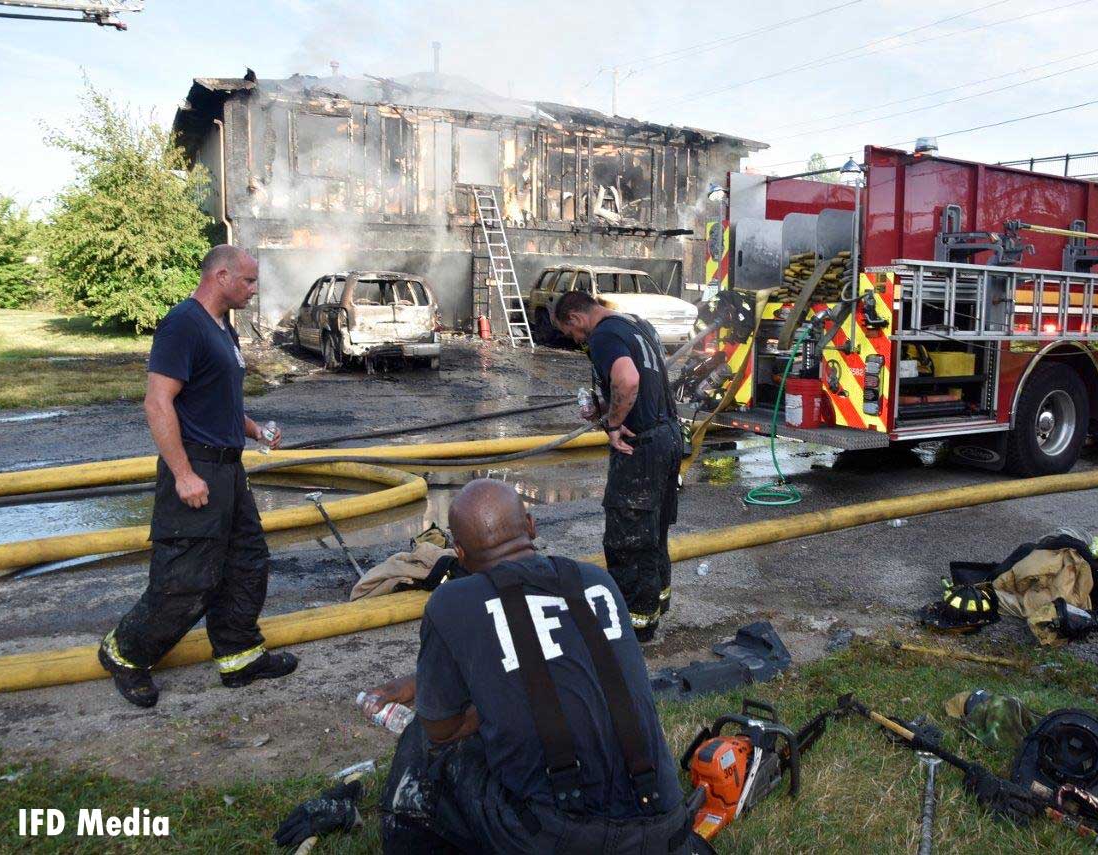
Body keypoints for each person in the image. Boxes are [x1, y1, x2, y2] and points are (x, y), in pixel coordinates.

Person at [369, 479, 692, 854]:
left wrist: (481, 708)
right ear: (532, 525)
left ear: (458, 552)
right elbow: (558, 660)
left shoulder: (451, 603)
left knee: (426, 741)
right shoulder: (595, 581)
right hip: (665, 826)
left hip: (559, 838)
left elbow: (440, 729)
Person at [97, 245, 297, 708]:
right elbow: (158, 402)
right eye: (247, 281)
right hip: (196, 470)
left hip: (229, 470)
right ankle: (125, 654)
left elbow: (216, 403)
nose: (253, 289)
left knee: (246, 565)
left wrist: (255, 430)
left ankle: (239, 656)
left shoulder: (224, 328)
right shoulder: (183, 324)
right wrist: (183, 474)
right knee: (187, 578)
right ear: (221, 276)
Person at [552, 290, 682, 642]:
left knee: (629, 539)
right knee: (654, 533)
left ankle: (633, 629)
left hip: (640, 448)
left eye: (572, 334)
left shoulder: (604, 335)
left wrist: (612, 425)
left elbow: (628, 379)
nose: (577, 341)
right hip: (667, 436)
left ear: (575, 319)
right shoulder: (634, 325)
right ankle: (654, 608)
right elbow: (646, 378)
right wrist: (608, 408)